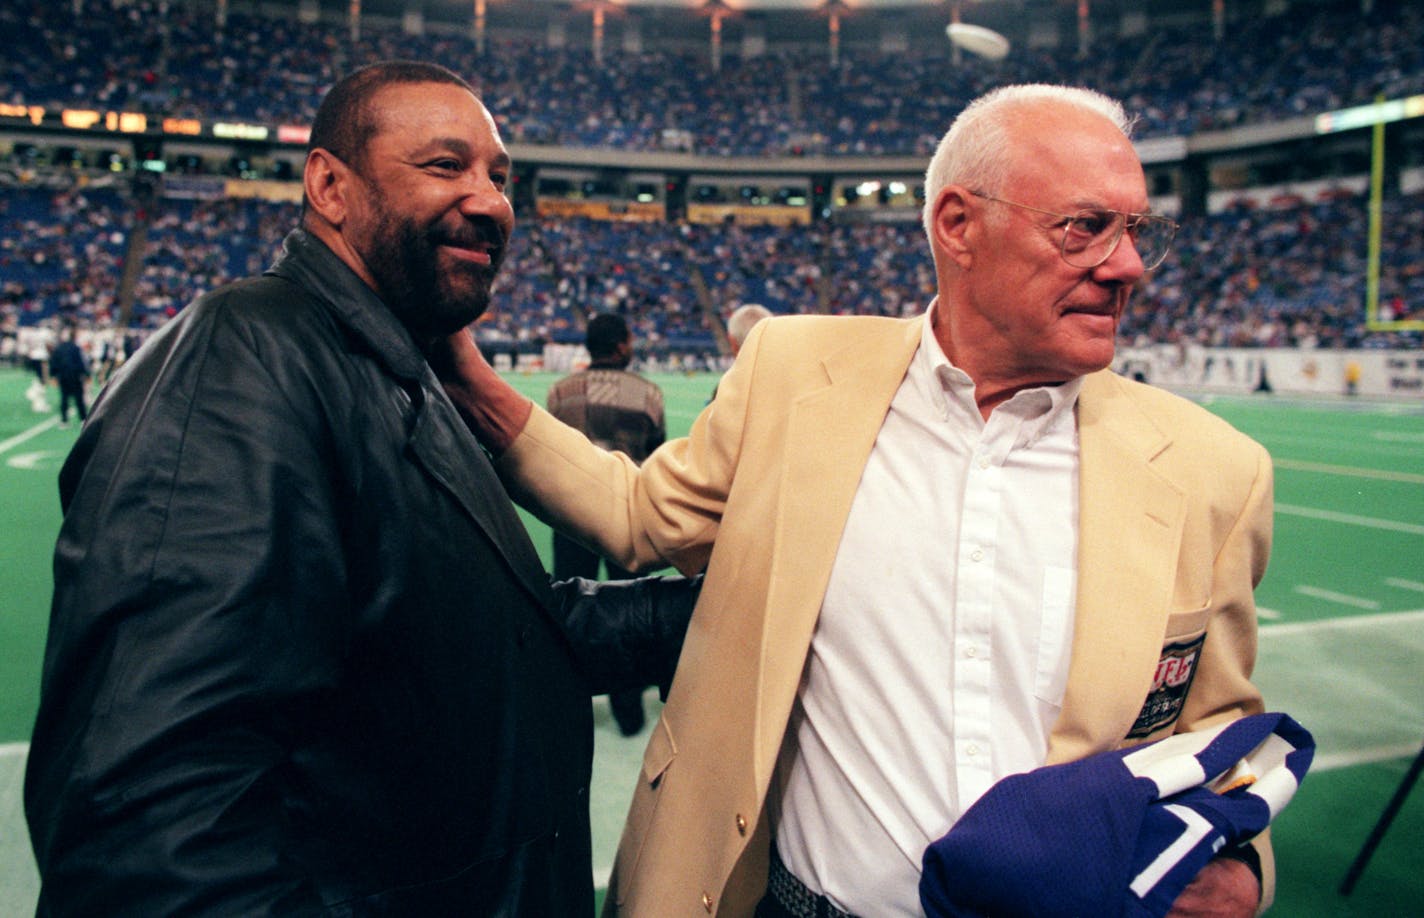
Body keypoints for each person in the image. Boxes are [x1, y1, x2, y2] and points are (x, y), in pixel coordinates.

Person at [441, 84, 1274, 917]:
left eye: (1139, 231)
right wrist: (468, 379)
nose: (1127, 264)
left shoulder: (1214, 472)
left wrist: (1243, 867)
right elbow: (638, 517)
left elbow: (1221, 728)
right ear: (958, 225)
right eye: (1085, 227)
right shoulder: (796, 373)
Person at [24, 60, 700, 917]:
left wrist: (741, 603)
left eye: (499, 177)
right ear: (329, 185)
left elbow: (490, 632)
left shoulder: (398, 365)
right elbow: (147, 837)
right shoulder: (243, 364)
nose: (491, 201)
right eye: (445, 165)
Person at [549, 312, 667, 736]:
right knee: (632, 616)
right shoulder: (648, 395)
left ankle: (568, 706)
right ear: (621, 346)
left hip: (570, 518)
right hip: (628, 519)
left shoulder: (560, 394)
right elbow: (656, 461)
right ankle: (629, 715)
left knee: (568, 614)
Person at [47, 325, 89, 427]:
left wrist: (53, 375)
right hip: (75, 376)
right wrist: (86, 374)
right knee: (79, 398)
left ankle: (64, 420)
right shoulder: (75, 348)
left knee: (64, 398)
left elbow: (53, 362)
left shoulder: (59, 348)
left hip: (63, 376)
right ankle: (83, 419)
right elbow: (80, 362)